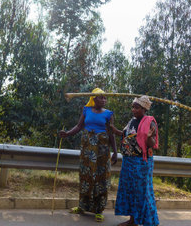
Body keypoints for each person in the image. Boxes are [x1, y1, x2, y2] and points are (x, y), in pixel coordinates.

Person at [58, 88, 118, 223]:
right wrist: (67, 133)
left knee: (101, 178)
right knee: (86, 176)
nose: (104, 100)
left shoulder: (109, 114)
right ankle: (82, 206)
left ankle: (99, 210)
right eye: (101, 98)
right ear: (93, 99)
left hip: (102, 150)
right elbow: (79, 126)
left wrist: (115, 151)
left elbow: (111, 133)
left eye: (105, 98)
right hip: (87, 149)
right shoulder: (86, 110)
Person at [109, 95, 159, 226]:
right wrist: (116, 131)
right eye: (133, 107)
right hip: (128, 161)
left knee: (141, 192)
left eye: (136, 107)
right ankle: (133, 221)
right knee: (130, 190)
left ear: (144, 109)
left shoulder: (150, 122)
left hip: (141, 162)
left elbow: (151, 143)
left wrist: (148, 137)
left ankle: (150, 222)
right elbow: (126, 134)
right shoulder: (132, 121)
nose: (133, 110)